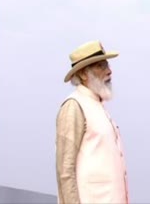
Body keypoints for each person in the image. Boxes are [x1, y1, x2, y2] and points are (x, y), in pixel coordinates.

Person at [56, 41, 129, 204]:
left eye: (107, 65)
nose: (109, 71)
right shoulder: (74, 105)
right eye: (101, 66)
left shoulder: (98, 106)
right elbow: (65, 171)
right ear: (83, 74)